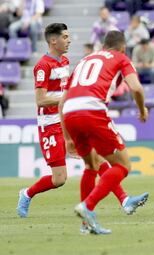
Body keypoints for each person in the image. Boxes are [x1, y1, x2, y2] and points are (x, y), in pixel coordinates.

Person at [60, 30, 149, 234]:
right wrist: (142, 110)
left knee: (91, 165)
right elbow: (136, 88)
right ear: (123, 47)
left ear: (103, 46)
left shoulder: (84, 61)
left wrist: (67, 137)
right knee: (124, 165)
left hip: (70, 113)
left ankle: (86, 225)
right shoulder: (121, 58)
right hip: (92, 110)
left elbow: (62, 101)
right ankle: (88, 206)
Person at [16, 23, 71, 218]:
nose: (69, 40)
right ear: (53, 40)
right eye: (65, 37)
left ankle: (124, 199)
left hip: (67, 121)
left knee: (95, 156)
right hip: (50, 125)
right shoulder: (43, 65)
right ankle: (27, 193)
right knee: (59, 179)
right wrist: (66, 99)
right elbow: (41, 100)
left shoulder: (65, 61)